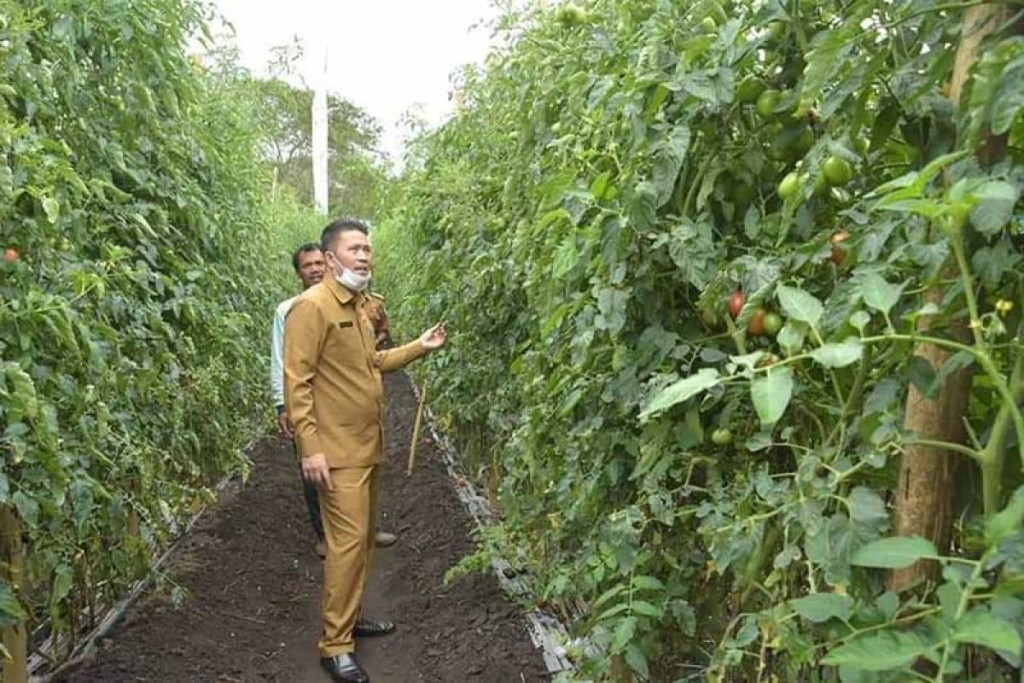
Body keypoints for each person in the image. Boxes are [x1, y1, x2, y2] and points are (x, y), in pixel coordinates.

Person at [284, 218, 446, 683]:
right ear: (330, 257)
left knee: (362, 544)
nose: (364, 256)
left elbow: (371, 362)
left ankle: (350, 619)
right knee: (346, 547)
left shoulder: (358, 306)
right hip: (336, 452)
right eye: (355, 249)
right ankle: (335, 646)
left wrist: (420, 346)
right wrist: (309, 449)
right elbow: (297, 384)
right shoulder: (311, 308)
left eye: (368, 249)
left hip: (367, 447)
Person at [271, 245, 397, 558]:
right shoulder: (292, 310)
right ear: (298, 273)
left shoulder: (356, 304)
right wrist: (282, 405)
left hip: (343, 406)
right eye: (306, 266)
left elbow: (374, 351)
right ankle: (326, 534)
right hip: (311, 406)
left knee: (356, 470)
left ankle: (364, 529)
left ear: (328, 264)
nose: (314, 269)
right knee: (315, 470)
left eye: (318, 263)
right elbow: (285, 365)